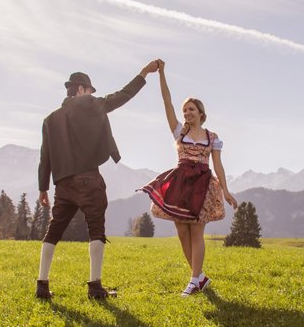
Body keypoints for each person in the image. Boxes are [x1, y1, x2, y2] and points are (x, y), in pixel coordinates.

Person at [36, 60, 161, 300]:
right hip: (88, 180)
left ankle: (42, 285)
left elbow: (45, 156)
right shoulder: (92, 105)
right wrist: (144, 73)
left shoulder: (50, 120)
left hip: (62, 184)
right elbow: (122, 96)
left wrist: (43, 188)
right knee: (96, 230)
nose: (92, 94)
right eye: (90, 90)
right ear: (82, 89)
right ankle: (95, 287)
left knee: (53, 232)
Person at [140, 61, 237, 296]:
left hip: (202, 185)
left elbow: (218, 165)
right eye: (185, 110)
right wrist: (161, 74)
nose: (186, 113)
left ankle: (194, 280)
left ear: (201, 114)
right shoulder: (178, 131)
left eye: (191, 109)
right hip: (181, 184)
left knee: (196, 232)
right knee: (182, 232)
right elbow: (166, 101)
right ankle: (199, 277)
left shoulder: (212, 137)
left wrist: (225, 190)